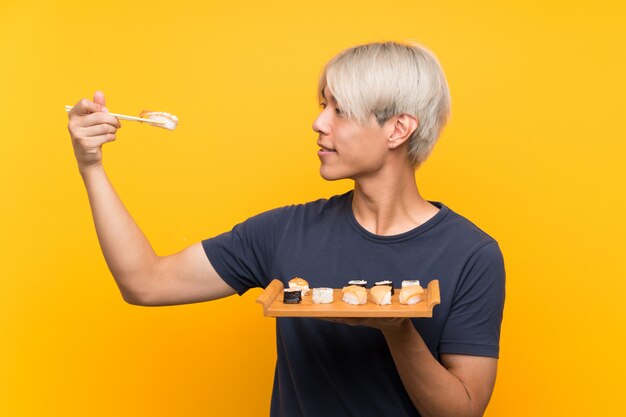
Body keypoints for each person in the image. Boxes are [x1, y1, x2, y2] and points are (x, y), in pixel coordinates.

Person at [67, 41, 505, 417]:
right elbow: (145, 283)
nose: (319, 123)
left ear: (398, 129)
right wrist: (91, 166)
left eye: (341, 110)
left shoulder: (472, 254)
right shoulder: (285, 231)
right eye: (322, 105)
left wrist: (399, 330)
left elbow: (462, 410)